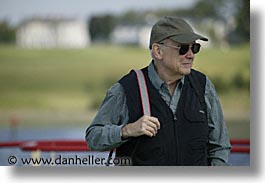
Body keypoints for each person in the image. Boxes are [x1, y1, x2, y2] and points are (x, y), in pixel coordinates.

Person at [85, 16, 231, 166]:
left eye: (194, 47)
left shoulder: (204, 86)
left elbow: (220, 147)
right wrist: (126, 130)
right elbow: (93, 137)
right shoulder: (125, 89)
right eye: (183, 48)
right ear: (158, 51)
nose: (191, 55)